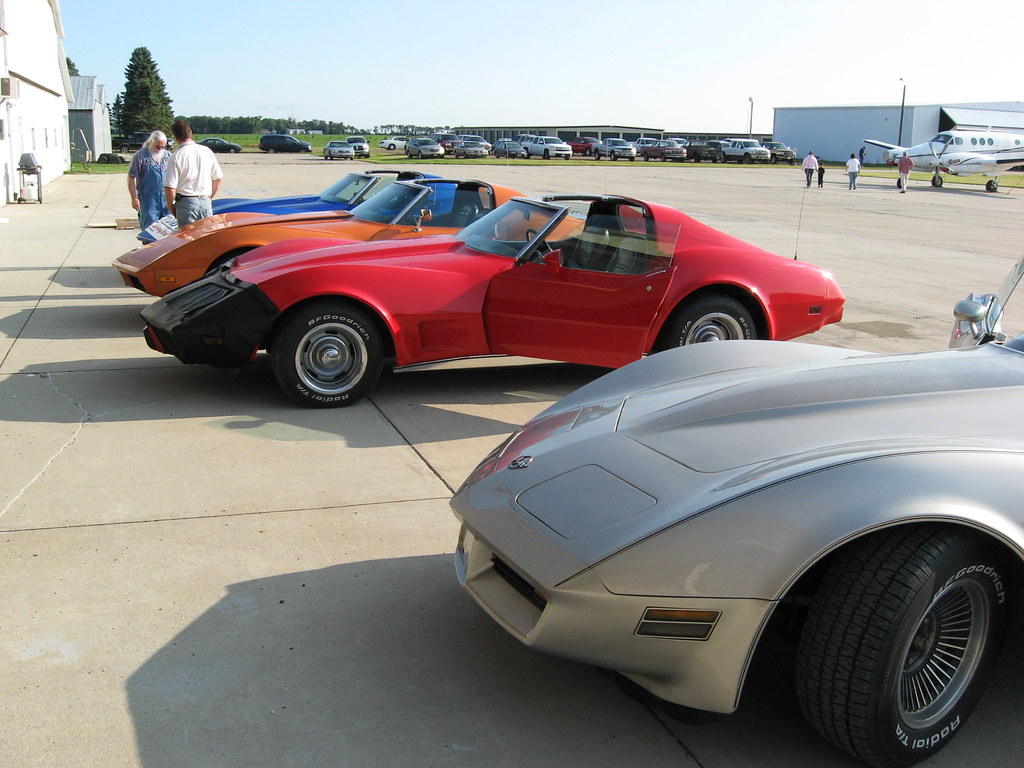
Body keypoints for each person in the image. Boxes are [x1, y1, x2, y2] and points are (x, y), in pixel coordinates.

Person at [164, 118, 223, 226]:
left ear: (175, 137)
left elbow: (170, 187)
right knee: (206, 235)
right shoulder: (207, 151)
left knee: (188, 236)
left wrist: (170, 206)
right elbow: (218, 179)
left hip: (186, 203)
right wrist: (209, 197)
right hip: (205, 201)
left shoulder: (176, 156)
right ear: (190, 133)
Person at [127, 131, 170, 236]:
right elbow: (131, 177)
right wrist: (134, 197)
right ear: (151, 142)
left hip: (166, 200)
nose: (160, 149)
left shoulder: (168, 156)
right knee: (150, 231)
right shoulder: (140, 156)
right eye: (157, 146)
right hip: (148, 201)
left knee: (168, 232)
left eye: (162, 147)